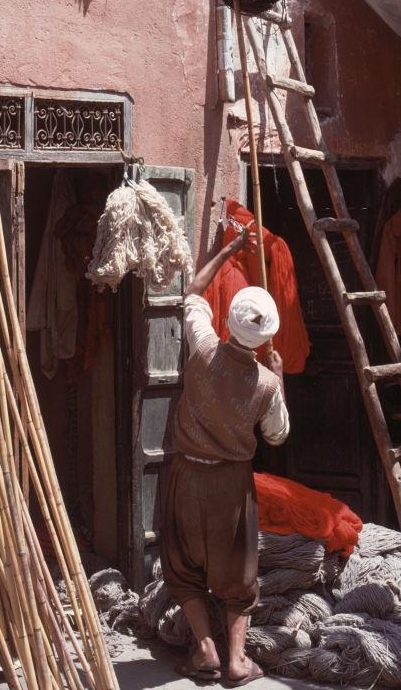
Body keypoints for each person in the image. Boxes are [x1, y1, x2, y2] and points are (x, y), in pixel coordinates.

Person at [160, 223, 289, 686]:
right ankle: (235, 661)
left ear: (229, 322)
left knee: (181, 563)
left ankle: (205, 651)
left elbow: (193, 291)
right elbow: (277, 436)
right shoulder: (268, 384)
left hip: (184, 475)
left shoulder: (204, 345)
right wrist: (280, 377)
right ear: (265, 337)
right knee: (237, 573)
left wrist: (227, 247)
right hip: (231, 486)